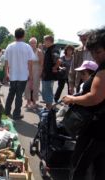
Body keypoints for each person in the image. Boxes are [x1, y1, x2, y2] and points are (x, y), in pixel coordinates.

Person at [62, 27, 105, 180]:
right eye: (93, 53)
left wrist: (72, 99)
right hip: (98, 129)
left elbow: (94, 97)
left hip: (97, 129)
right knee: (99, 167)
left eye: (98, 52)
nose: (95, 57)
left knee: (79, 165)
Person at [4, 28, 34, 120]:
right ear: (23, 35)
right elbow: (30, 63)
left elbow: (6, 62)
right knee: (19, 95)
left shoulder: (9, 46)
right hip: (23, 75)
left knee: (11, 94)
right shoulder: (27, 47)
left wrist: (6, 73)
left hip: (13, 75)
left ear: (15, 35)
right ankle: (16, 114)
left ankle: (7, 111)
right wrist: (30, 75)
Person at [69, 29, 94, 94]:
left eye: (85, 39)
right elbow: (72, 68)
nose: (83, 42)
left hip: (95, 79)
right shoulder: (77, 50)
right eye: (81, 40)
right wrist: (71, 85)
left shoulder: (97, 50)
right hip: (80, 80)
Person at [41, 35, 60, 110]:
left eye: (44, 41)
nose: (44, 43)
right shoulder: (49, 48)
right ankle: (48, 107)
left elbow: (58, 60)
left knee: (48, 92)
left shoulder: (54, 49)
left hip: (49, 75)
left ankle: (49, 109)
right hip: (46, 75)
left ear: (48, 41)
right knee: (46, 92)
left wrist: (54, 68)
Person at [24, 37, 44, 109]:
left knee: (35, 86)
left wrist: (40, 72)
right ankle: (28, 102)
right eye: (31, 43)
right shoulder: (27, 51)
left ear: (36, 43)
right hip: (28, 69)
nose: (32, 44)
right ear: (29, 44)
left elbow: (42, 63)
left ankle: (34, 102)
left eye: (34, 43)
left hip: (36, 69)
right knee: (27, 86)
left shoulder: (39, 51)